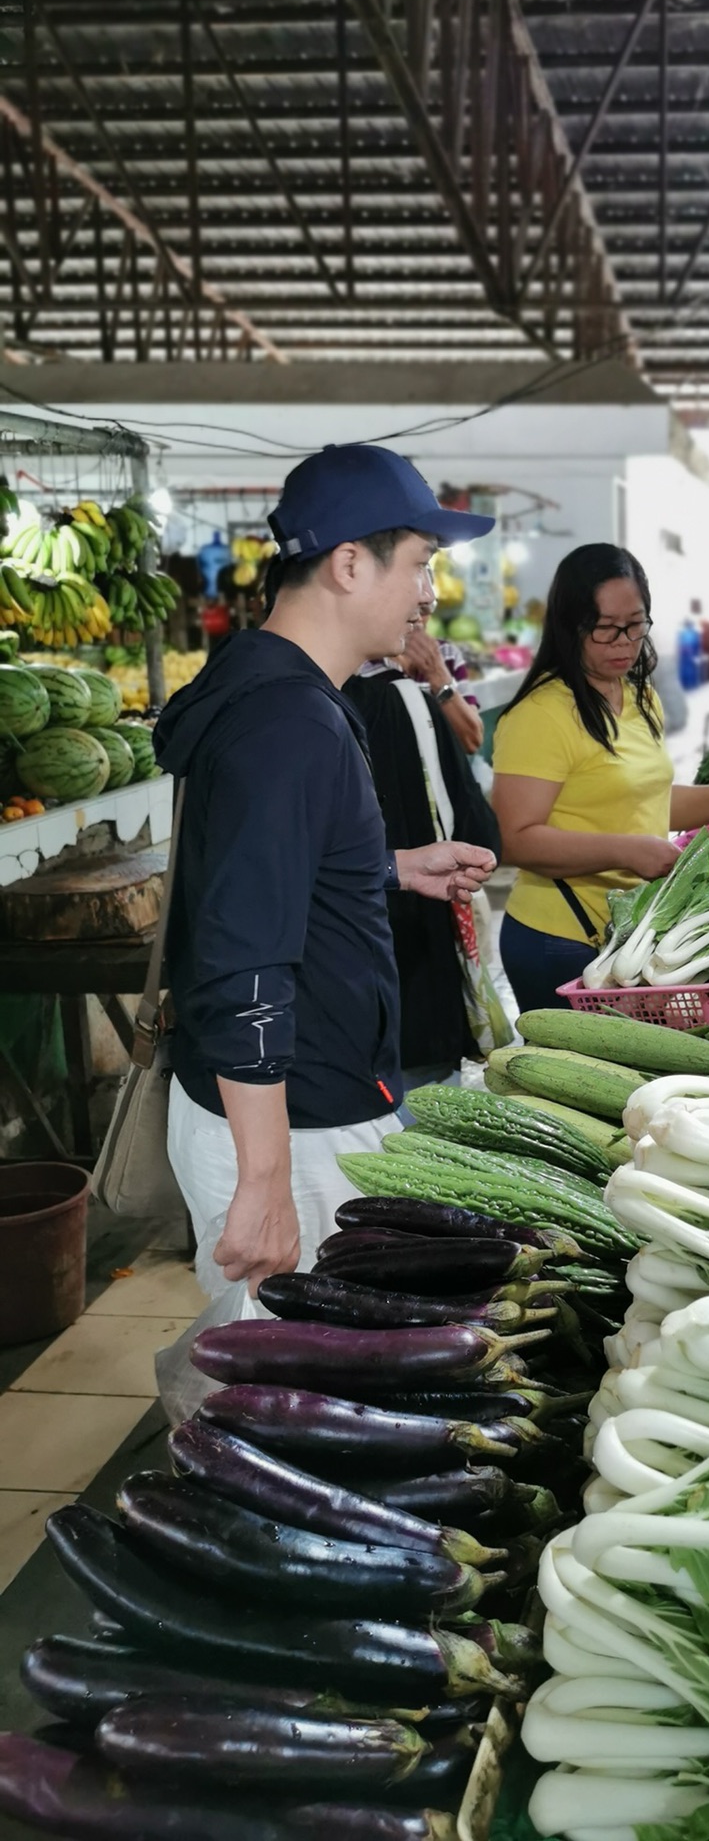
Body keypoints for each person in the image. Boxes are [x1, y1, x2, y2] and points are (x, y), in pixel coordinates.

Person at [153, 443, 500, 1297]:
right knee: (287, 1402)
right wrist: (266, 1182)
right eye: (420, 564)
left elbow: (261, 868)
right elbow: (246, 961)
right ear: (349, 563)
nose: (429, 593)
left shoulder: (264, 682)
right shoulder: (290, 722)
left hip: (275, 1104)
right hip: (291, 1121)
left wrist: (378, 869)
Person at [491, 543, 709, 1013]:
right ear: (570, 625)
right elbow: (515, 840)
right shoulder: (540, 715)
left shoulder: (637, 698)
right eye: (605, 628)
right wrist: (628, 850)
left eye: (636, 625)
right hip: (562, 938)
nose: (624, 642)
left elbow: (646, 800)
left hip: (628, 932)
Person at [344, 652, 512, 1098]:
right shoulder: (403, 697)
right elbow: (473, 825)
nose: (423, 598)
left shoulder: (299, 699)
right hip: (416, 932)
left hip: (350, 965)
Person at [359, 625, 483, 757]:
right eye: (413, 608)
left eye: (426, 608)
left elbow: (472, 740)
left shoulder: (446, 653)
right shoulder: (360, 665)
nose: (418, 619)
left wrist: (439, 678)